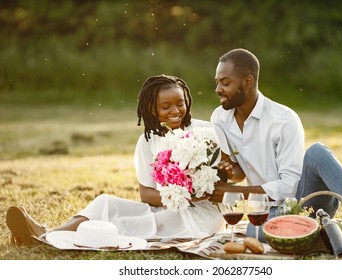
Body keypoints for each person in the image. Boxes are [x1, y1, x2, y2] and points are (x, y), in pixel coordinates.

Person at [6, 74, 230, 247]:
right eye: (165, 106)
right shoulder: (147, 142)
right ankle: (48, 234)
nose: (175, 111)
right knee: (105, 203)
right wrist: (179, 196)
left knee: (125, 224)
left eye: (180, 103)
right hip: (170, 208)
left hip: (203, 217)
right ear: (151, 108)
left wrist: (204, 190)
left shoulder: (206, 132)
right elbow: (146, 195)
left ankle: (45, 236)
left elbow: (231, 174)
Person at [210, 48, 342, 255]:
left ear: (248, 82)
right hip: (270, 211)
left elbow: (289, 186)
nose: (218, 89)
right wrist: (229, 172)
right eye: (217, 82)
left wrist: (235, 192)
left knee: (317, 152)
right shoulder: (219, 119)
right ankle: (337, 231)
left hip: (304, 200)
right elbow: (239, 172)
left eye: (225, 83)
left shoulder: (284, 119)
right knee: (253, 230)